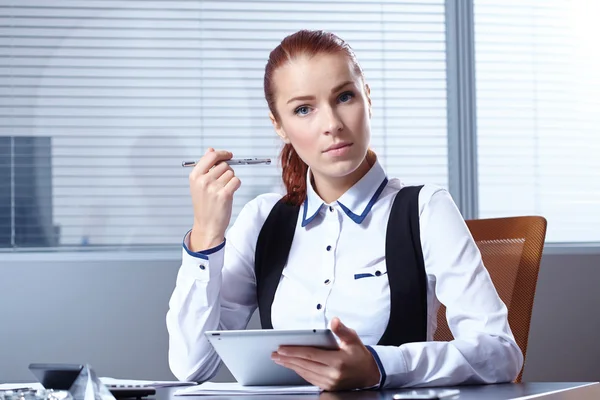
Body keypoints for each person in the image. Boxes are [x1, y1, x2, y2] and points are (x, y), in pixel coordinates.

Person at [166, 29, 523, 391]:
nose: (332, 124)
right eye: (304, 109)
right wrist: (205, 237)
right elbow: (191, 367)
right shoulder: (262, 219)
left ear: (367, 97)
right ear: (279, 126)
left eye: (345, 97)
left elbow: (501, 352)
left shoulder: (423, 210)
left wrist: (380, 366)